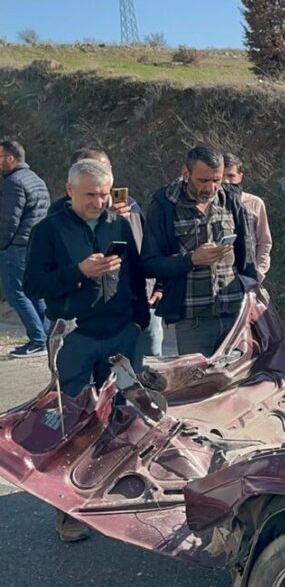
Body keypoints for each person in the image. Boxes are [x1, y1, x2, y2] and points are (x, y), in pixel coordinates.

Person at [23, 159, 148, 543]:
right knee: (74, 424)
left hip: (122, 334)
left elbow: (135, 274)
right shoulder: (48, 229)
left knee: (123, 419)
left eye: (105, 192)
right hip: (76, 339)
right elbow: (32, 285)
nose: (99, 201)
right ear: (70, 190)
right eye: (91, 194)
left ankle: (116, 497)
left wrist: (139, 322)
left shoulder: (118, 222)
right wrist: (79, 271)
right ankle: (68, 511)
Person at [48, 148, 164, 358]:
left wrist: (159, 284)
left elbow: (148, 246)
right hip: (90, 313)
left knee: (148, 367)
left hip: (140, 300)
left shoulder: (129, 203)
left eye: (104, 168)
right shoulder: (59, 213)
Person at [143, 145, 256, 357]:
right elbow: (150, 263)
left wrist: (253, 296)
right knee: (196, 387)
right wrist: (191, 260)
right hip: (192, 319)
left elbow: (247, 256)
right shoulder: (164, 205)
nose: (211, 188)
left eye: (217, 180)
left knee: (234, 386)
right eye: (203, 181)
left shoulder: (231, 200)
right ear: (186, 173)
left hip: (234, 314)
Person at [0, 140, 50, 357]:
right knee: (35, 293)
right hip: (33, 244)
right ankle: (47, 337)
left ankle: (38, 339)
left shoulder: (14, 183)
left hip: (16, 247)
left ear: (10, 158)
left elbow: (8, 221)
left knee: (16, 294)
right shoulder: (36, 179)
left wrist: (2, 245)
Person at [223, 152, 273, 280]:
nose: (226, 181)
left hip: (249, 273)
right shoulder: (210, 205)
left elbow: (264, 242)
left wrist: (259, 270)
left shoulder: (254, 203)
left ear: (240, 177)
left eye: (230, 176)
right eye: (221, 176)